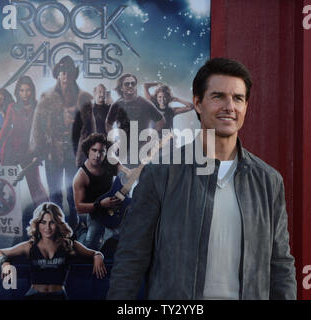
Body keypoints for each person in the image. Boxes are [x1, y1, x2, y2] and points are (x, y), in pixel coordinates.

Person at [107, 58, 297, 300]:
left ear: (246, 106)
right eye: (218, 96)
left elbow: (280, 265)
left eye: (238, 98)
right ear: (197, 103)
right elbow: (131, 258)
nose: (230, 106)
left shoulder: (268, 181)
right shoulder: (161, 173)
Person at [30, 55, 94, 230]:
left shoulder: (84, 98)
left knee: (75, 192)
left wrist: (90, 153)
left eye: (69, 72)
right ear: (58, 74)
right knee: (55, 192)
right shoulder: (47, 97)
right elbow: (37, 126)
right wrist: (39, 150)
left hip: (76, 152)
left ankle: (76, 225)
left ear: (74, 74)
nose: (66, 75)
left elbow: (90, 129)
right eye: (62, 72)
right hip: (53, 152)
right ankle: (57, 226)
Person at [0, 202, 106, 300]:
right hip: (33, 296)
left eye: (52, 222)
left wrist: (98, 256)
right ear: (37, 224)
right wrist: (5, 263)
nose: (47, 227)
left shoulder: (68, 244)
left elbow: (95, 253)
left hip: (58, 296)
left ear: (58, 224)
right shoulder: (29, 246)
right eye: (43, 222)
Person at [73, 133, 130, 251]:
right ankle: (82, 231)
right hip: (95, 212)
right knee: (91, 247)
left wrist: (130, 174)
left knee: (126, 237)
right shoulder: (81, 176)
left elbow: (124, 172)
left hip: (114, 207)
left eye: (102, 151)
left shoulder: (110, 161)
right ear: (88, 150)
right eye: (94, 150)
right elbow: (79, 207)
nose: (97, 155)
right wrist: (100, 204)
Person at [0, 76, 48, 207]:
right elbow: (4, 131)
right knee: (5, 185)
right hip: (11, 150)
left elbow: (43, 132)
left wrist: (39, 153)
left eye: (28, 90)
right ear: (17, 92)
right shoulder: (12, 107)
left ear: (32, 91)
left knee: (35, 185)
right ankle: (4, 215)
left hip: (30, 151)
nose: (25, 94)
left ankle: (46, 212)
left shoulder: (38, 107)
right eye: (22, 90)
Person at [105, 73, 165, 164]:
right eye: (127, 84)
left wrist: (150, 137)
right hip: (123, 150)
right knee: (125, 176)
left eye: (133, 83)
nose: (130, 86)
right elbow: (108, 124)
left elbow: (161, 121)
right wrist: (115, 141)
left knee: (142, 176)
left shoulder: (145, 103)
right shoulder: (116, 105)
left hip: (142, 149)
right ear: (121, 88)